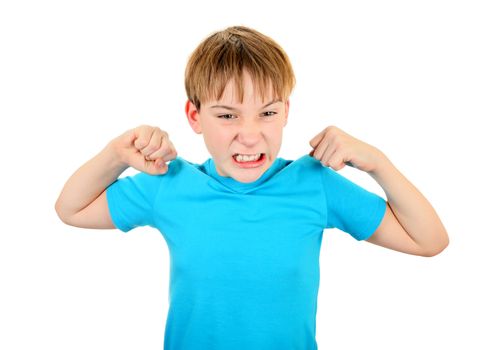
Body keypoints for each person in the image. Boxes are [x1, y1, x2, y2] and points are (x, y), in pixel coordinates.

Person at [55, 25, 449, 350]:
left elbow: (429, 240)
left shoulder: (314, 184)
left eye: (267, 113)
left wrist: (377, 162)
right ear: (195, 116)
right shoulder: (169, 184)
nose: (250, 135)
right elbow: (70, 209)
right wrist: (116, 154)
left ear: (286, 113)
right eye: (227, 115)